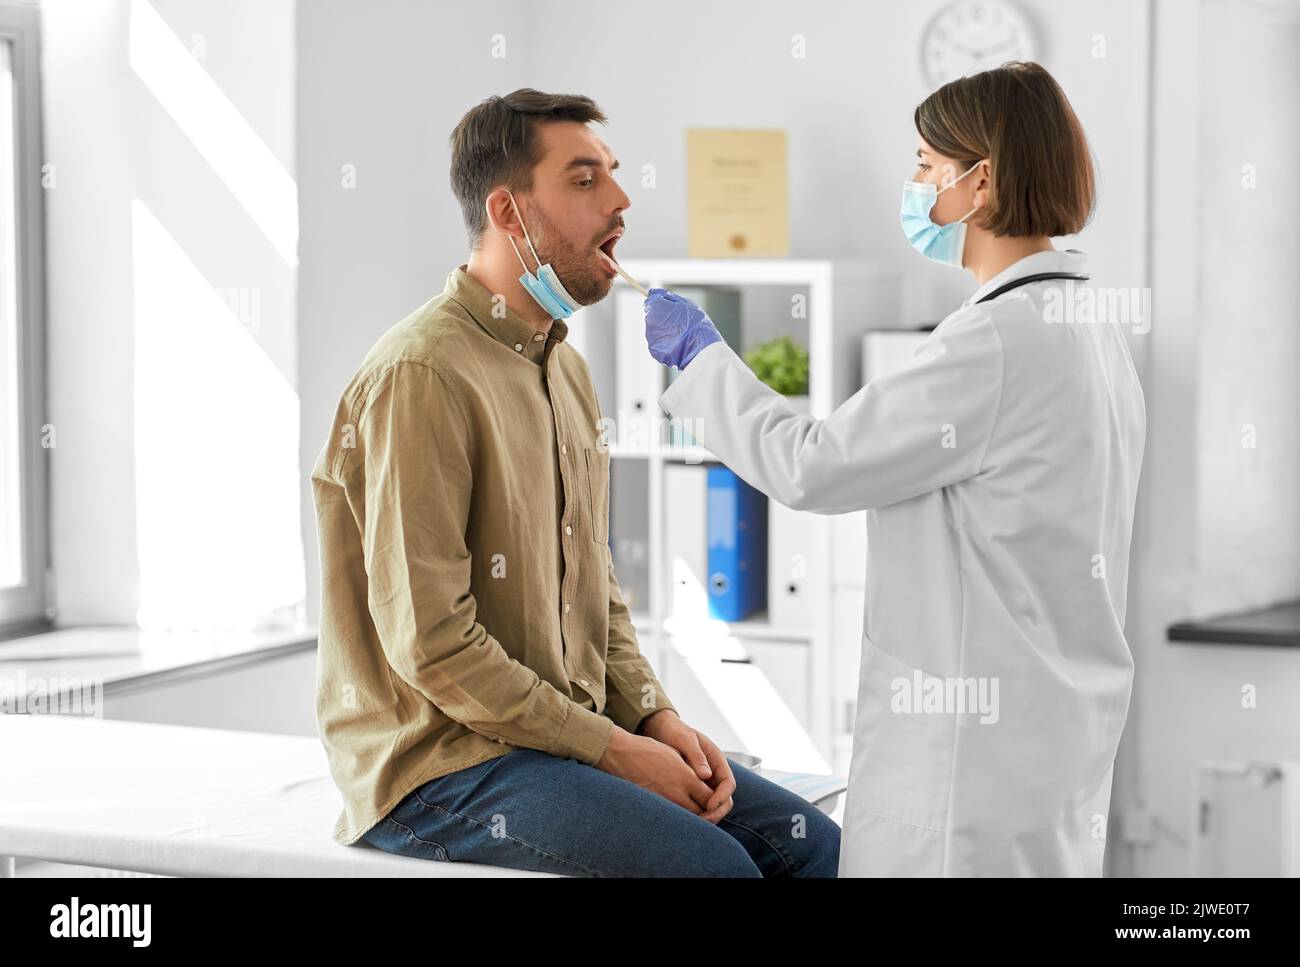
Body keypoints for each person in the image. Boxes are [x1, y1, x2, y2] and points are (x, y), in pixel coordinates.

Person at [310, 88, 840, 877]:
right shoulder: (420, 374)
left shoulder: (567, 369)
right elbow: (433, 645)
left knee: (822, 852)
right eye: (585, 180)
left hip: (556, 743)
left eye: (614, 176)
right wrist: (614, 749)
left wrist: (652, 716)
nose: (621, 201)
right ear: (509, 211)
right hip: (442, 768)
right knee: (714, 869)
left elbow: (597, 587)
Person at [644, 62, 1146, 876]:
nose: (913, 184)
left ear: (979, 181)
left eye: (924, 163)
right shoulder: (1089, 329)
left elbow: (815, 466)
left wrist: (703, 364)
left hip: (964, 769)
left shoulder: (993, 342)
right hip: (1049, 738)